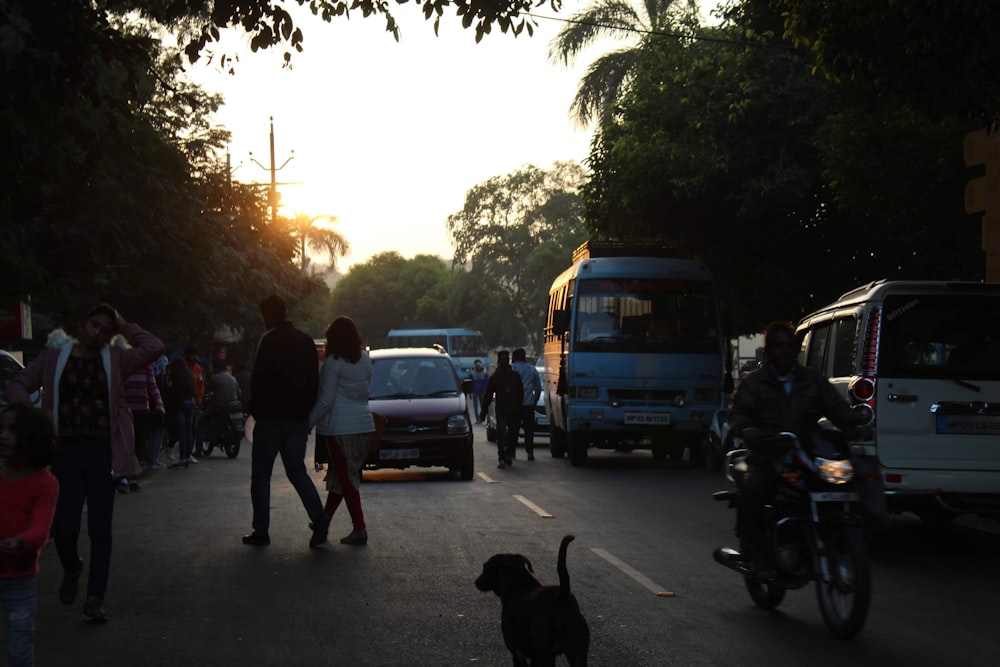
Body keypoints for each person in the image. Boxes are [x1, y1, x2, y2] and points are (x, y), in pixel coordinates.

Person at [6, 303, 163, 624]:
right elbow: (18, 383)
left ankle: (95, 599)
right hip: (63, 452)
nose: (99, 333)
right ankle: (72, 567)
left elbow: (155, 347)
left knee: (100, 529)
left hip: (102, 452)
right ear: (81, 324)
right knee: (63, 526)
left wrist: (124, 324)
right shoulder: (54, 357)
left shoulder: (117, 359)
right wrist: (31, 418)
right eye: (94, 325)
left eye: (106, 329)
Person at [729, 320, 867, 572]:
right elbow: (740, 414)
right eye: (778, 346)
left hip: (809, 450)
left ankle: (833, 533)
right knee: (753, 490)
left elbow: (837, 410)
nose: (784, 350)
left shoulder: (813, 380)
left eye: (788, 345)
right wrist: (750, 431)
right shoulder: (754, 383)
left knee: (847, 478)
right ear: (769, 350)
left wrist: (857, 423)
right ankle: (751, 548)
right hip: (769, 452)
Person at [243, 294, 327, 548]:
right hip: (297, 419)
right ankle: (319, 519)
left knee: (261, 475)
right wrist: (306, 414)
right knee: (297, 471)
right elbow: (315, 382)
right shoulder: (305, 341)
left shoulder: (267, 340)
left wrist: (254, 412)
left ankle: (261, 531)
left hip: (270, 419)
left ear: (267, 315)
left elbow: (258, 378)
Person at [308, 316, 375, 547]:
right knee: (342, 477)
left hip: (339, 428)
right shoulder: (365, 360)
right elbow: (366, 390)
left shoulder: (333, 364)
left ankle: (360, 528)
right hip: (365, 426)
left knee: (346, 479)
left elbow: (325, 401)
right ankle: (323, 523)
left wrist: (308, 423)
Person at [0, 404, 59, 666]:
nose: (3, 435)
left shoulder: (45, 484)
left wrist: (20, 542)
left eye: (12, 430)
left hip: (19, 581)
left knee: (19, 652)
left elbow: (40, 531)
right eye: (1, 428)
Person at [479, 350, 523, 469]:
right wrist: (483, 413)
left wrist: (521, 410)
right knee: (501, 435)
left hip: (514, 411)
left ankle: (509, 453)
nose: (505, 362)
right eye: (502, 360)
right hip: (501, 411)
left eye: (506, 359)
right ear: (499, 361)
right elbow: (488, 395)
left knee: (513, 436)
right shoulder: (495, 378)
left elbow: (520, 394)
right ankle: (501, 457)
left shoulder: (515, 376)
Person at [122, 362, 165, 473]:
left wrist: (159, 404)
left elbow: (153, 387)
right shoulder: (123, 363)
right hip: (125, 410)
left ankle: (132, 476)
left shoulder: (146, 366)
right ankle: (126, 475)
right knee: (127, 442)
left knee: (138, 442)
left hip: (142, 410)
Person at [164, 356, 198, 469]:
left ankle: (182, 458)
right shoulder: (188, 376)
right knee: (189, 431)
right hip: (190, 402)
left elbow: (174, 391)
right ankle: (188, 456)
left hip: (180, 404)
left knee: (182, 432)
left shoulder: (176, 377)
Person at [197, 360, 241, 444]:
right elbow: (239, 393)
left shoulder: (214, 378)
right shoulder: (233, 378)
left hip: (218, 406)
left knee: (200, 424)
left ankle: (198, 450)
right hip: (233, 404)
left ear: (216, 368)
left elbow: (206, 391)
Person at [510, 348, 542, 461]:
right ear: (524, 357)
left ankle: (511, 452)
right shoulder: (531, 369)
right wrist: (534, 400)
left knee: (513, 429)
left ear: (514, 358)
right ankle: (530, 452)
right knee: (529, 429)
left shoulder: (511, 369)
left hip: (514, 404)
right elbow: (538, 388)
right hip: (528, 404)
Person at [470, 359, 489, 423]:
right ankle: (478, 419)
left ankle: (484, 418)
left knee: (483, 406)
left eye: (479, 365)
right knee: (476, 406)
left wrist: (485, 391)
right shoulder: (472, 373)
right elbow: (470, 383)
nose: (478, 367)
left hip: (482, 391)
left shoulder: (484, 373)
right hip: (475, 391)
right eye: (477, 365)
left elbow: (487, 383)